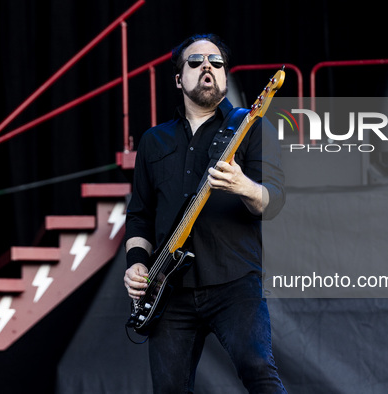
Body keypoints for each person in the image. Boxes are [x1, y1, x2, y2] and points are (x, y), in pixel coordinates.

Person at [123, 33, 287, 393]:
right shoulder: (154, 140)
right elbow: (139, 214)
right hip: (169, 288)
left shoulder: (252, 127)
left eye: (216, 63)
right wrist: (136, 262)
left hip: (234, 279)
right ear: (179, 79)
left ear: (226, 77)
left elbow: (274, 202)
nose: (207, 67)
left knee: (258, 368)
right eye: (195, 62)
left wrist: (244, 186)